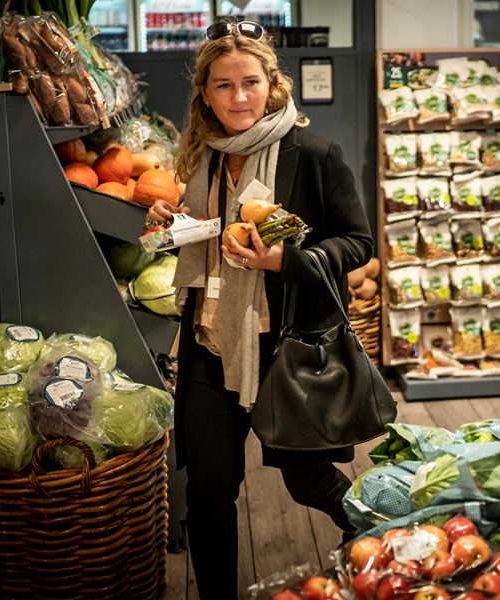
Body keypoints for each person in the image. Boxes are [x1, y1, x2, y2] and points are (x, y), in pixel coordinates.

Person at [145, 19, 373, 600]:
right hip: (208, 344)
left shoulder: (314, 154)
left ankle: (388, 542)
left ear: (273, 83)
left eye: (250, 82)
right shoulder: (202, 157)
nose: (238, 97)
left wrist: (283, 263)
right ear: (204, 93)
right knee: (209, 491)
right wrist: (169, 231)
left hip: (286, 349)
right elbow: (206, 236)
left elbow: (358, 243)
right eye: (223, 85)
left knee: (307, 479)